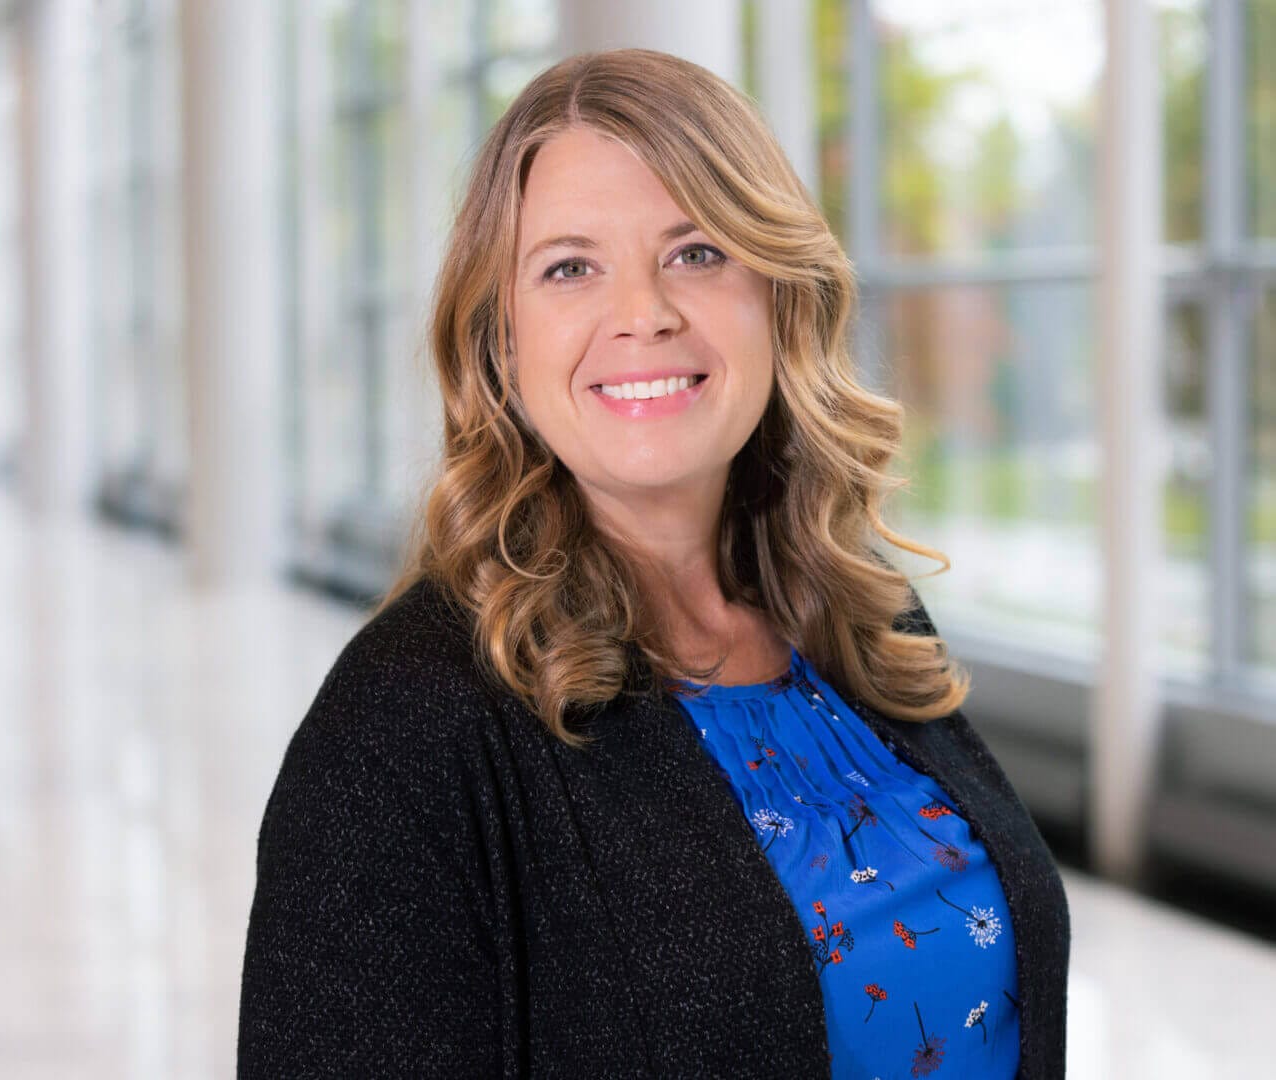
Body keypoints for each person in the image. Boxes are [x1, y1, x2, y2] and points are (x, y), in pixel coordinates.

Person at [237, 47, 1070, 1079]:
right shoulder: (405, 728)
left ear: (779, 296)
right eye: (571, 267)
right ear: (502, 341)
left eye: (697, 253)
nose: (644, 313)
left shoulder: (858, 614)